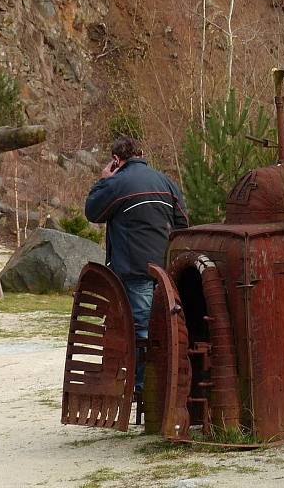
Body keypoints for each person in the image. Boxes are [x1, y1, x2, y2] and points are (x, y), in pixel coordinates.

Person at [85, 136, 189, 393]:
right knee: (168, 325)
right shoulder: (167, 183)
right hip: (166, 269)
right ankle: (166, 385)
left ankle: (145, 389)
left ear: (117, 160)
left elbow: (92, 211)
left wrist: (103, 180)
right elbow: (183, 223)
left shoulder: (118, 182)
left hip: (134, 268)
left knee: (142, 330)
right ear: (141, 154)